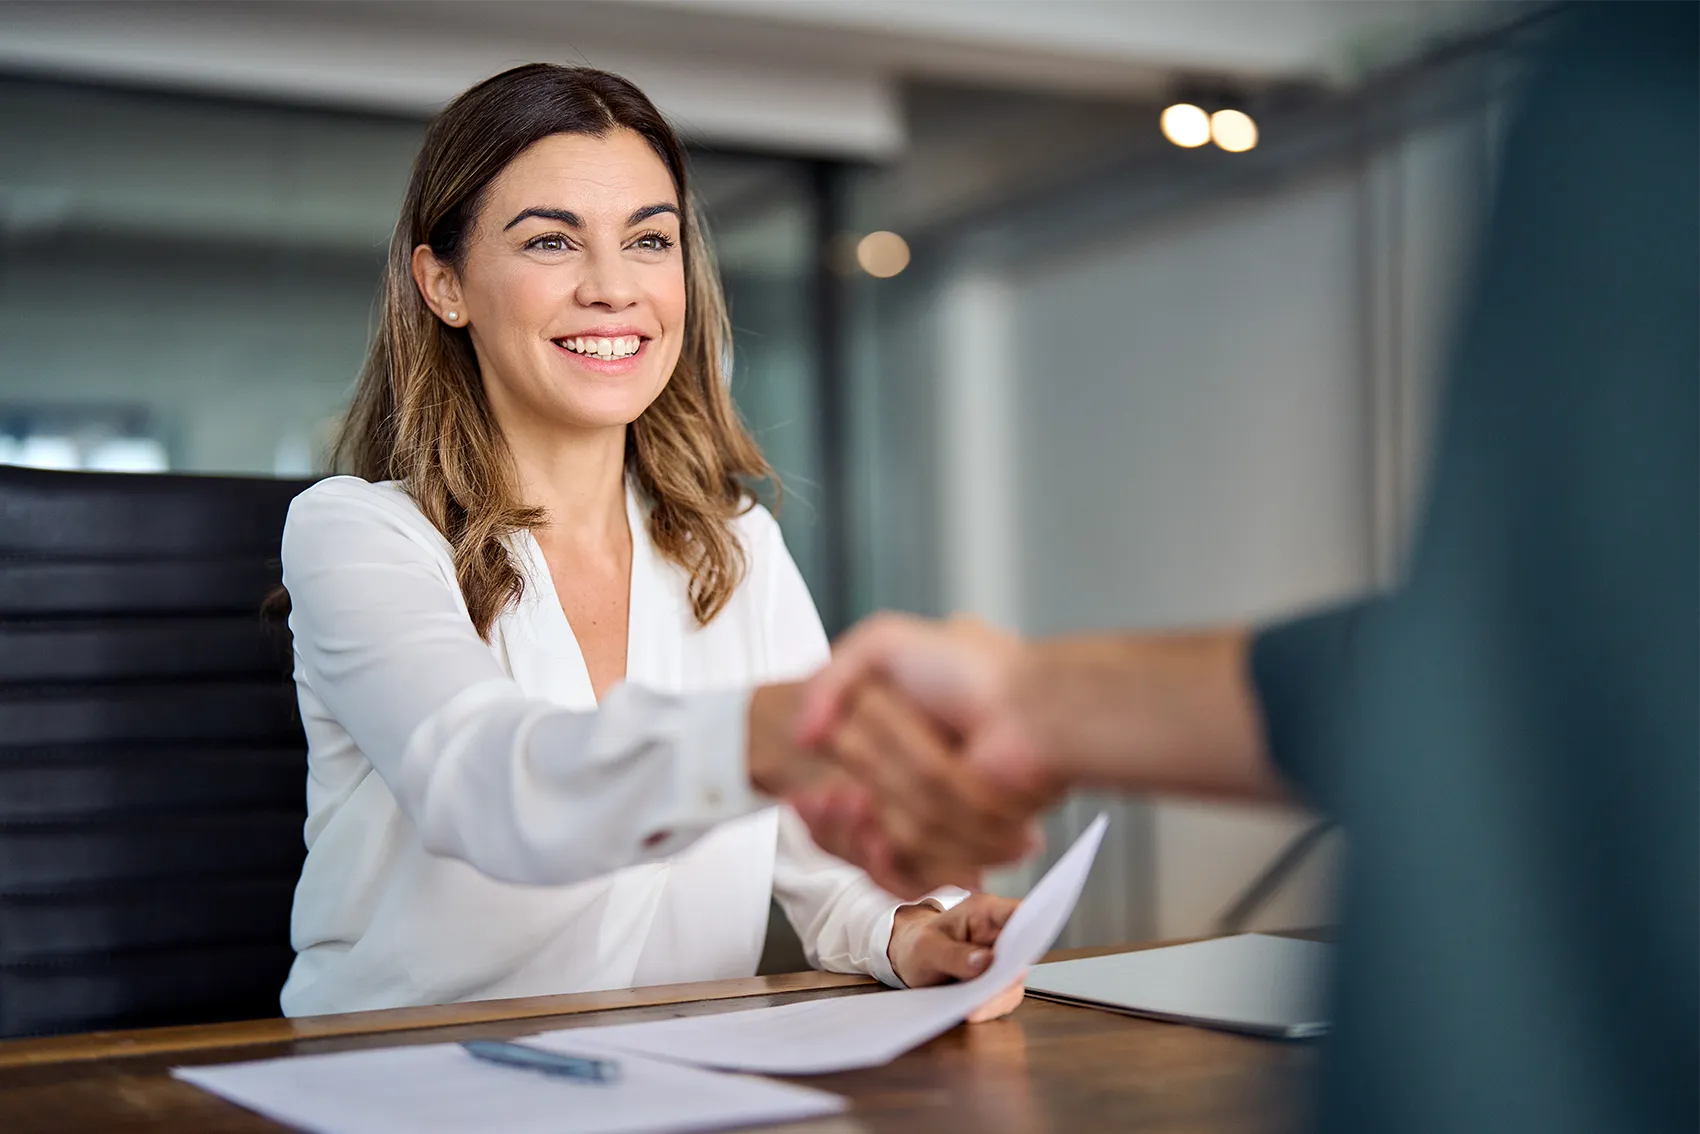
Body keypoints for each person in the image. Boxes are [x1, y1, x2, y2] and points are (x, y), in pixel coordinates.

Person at [791, 1, 1700, 1129]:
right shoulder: (1632, 86)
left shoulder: (1637, 96)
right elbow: (1529, 650)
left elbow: (1537, 673)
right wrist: (1035, 701)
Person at [275, 63, 1024, 1018]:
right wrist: (760, 736)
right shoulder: (360, 533)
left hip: (677, 1079)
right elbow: (486, 787)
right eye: (551, 241)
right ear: (444, 283)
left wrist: (912, 928)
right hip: (412, 1086)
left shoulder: (733, 545)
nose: (612, 288)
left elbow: (820, 846)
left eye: (649, 240)